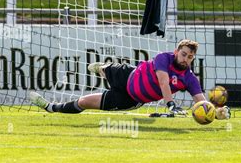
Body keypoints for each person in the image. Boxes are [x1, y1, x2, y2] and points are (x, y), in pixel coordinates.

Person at [30, 39, 230, 119]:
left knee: (85, 102)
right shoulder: (164, 58)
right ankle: (102, 69)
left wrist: (217, 113)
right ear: (176, 51)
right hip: (128, 75)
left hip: (131, 98)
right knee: (104, 68)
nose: (186, 59)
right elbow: (162, 81)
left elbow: (202, 103)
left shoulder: (189, 78)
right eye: (184, 54)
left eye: (190, 57)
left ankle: (50, 107)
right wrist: (170, 105)